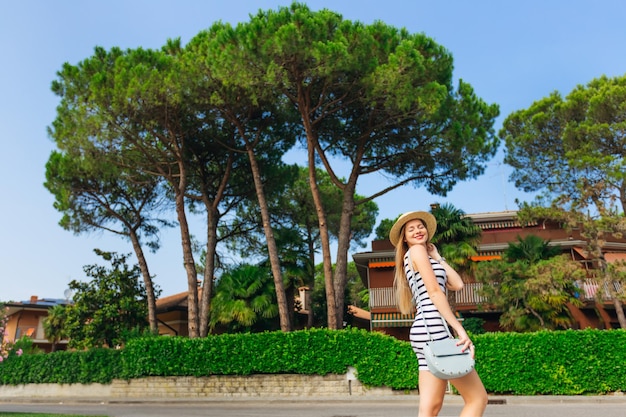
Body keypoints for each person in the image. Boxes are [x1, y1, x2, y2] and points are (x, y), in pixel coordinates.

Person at [389, 211, 488, 417]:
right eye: (411, 229)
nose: (418, 231)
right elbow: (434, 292)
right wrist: (460, 329)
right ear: (404, 238)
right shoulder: (416, 251)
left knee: (430, 408)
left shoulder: (423, 255)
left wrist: (437, 257)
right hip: (433, 328)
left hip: (427, 330)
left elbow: (458, 284)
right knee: (477, 398)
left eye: (420, 226)